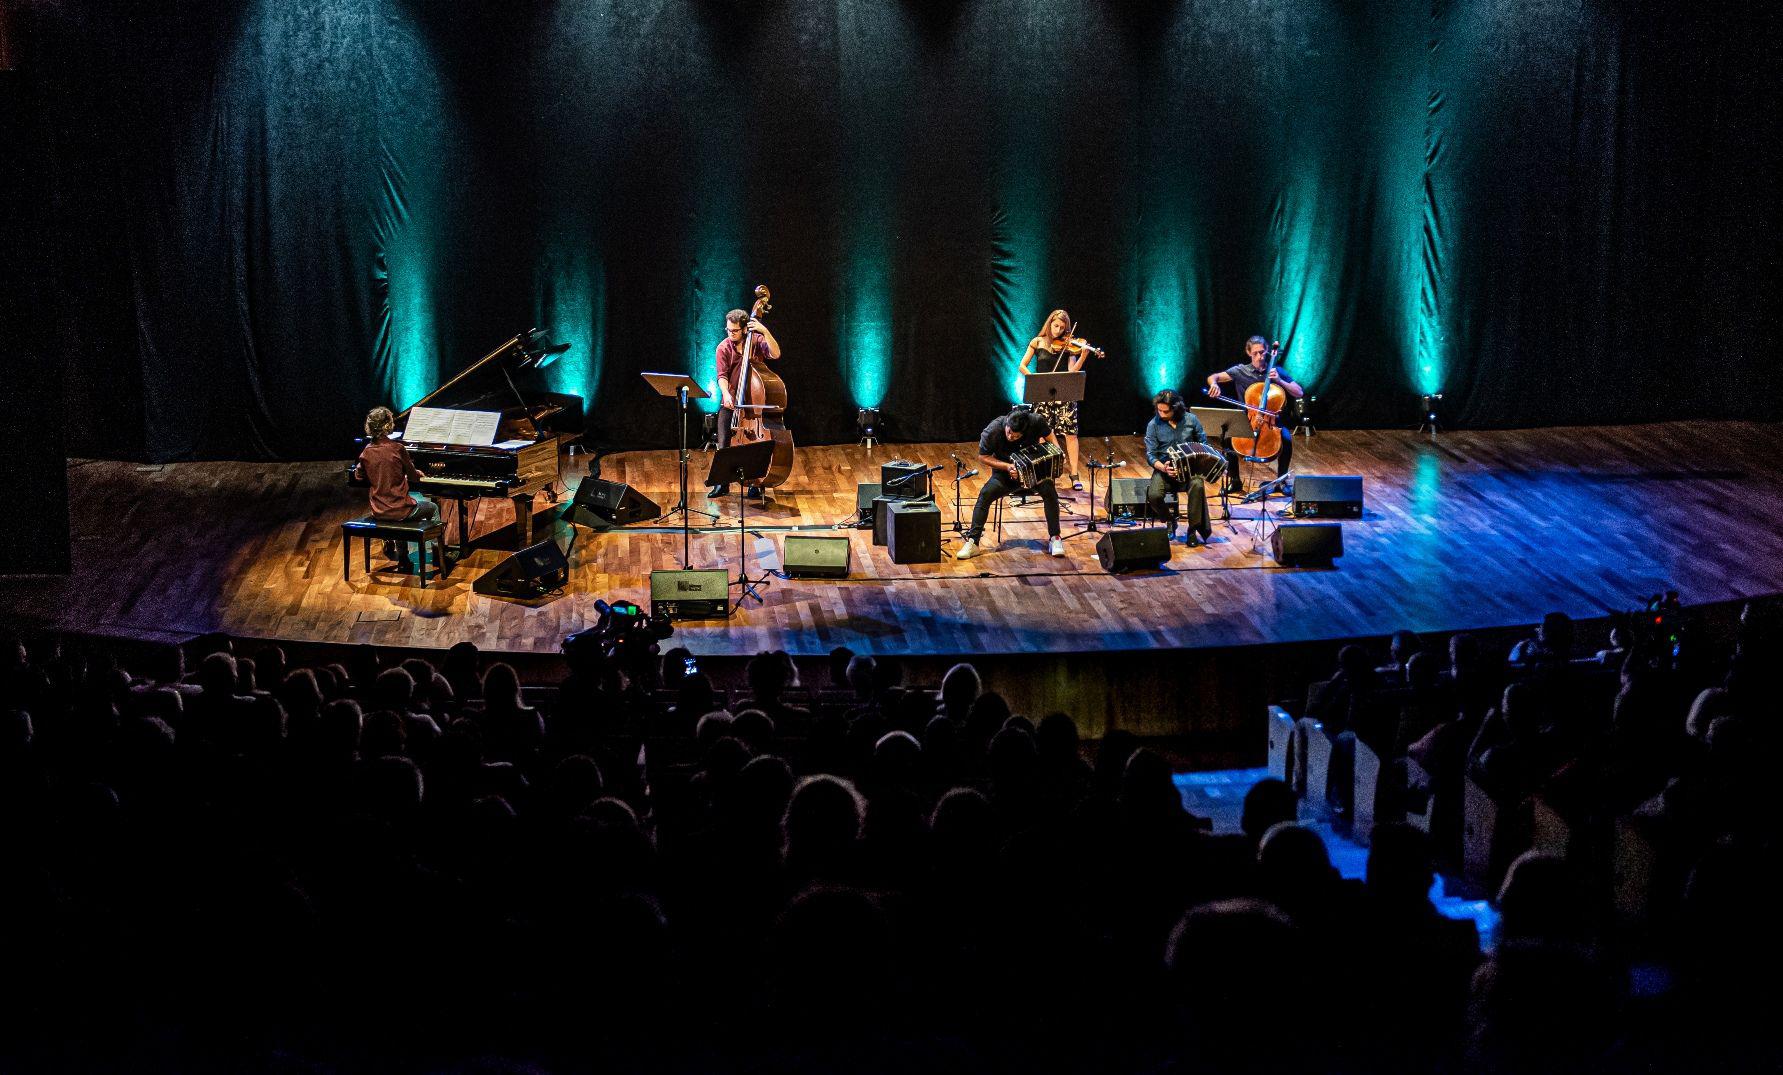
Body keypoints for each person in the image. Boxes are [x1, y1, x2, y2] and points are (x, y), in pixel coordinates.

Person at [955, 408, 1064, 560]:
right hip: (1005, 475)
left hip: (1034, 473)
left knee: (1050, 490)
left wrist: (1056, 452)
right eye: (1009, 432)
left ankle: (1055, 538)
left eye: (1016, 435)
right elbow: (983, 457)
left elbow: (1049, 434)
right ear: (1006, 424)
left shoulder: (1036, 421)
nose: (1011, 436)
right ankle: (973, 542)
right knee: (985, 494)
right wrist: (1007, 466)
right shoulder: (992, 430)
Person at [1018, 308, 1100, 491]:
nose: (1058, 331)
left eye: (1062, 328)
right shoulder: (1037, 342)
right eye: (1055, 326)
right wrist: (1035, 380)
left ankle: (1074, 474)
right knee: (1040, 434)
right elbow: (1022, 365)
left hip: (1064, 395)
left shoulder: (1069, 346)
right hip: (1042, 395)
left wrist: (1083, 356)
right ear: (1049, 324)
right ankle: (1042, 473)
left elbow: (1072, 372)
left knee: (1070, 434)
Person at [1206, 335, 1303, 487]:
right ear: (1248, 352)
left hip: (1271, 422)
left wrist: (1279, 380)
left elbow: (1299, 392)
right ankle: (1235, 480)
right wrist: (1214, 385)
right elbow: (1214, 377)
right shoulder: (1240, 371)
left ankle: (1281, 481)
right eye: (1255, 353)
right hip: (1246, 420)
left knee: (1286, 440)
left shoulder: (1276, 372)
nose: (1259, 356)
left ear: (1268, 352)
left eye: (1263, 352)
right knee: (1226, 438)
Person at [709, 308, 783, 498]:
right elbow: (722, 376)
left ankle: (755, 484)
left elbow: (775, 354)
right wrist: (725, 394)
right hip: (732, 403)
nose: (730, 334)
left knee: (756, 446)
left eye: (734, 331)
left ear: (744, 329)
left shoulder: (756, 342)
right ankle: (721, 483)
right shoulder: (723, 348)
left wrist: (764, 331)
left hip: (755, 404)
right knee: (724, 441)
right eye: (728, 330)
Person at [353, 406, 440, 561]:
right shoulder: (397, 448)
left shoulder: (366, 451)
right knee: (432, 508)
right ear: (388, 425)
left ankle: (403, 556)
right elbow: (413, 477)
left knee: (399, 511)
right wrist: (413, 473)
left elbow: (359, 476)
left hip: (379, 511)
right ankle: (437, 551)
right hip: (401, 511)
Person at [1142, 390, 1212, 546]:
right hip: (1165, 469)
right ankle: (1170, 520)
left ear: (1176, 408)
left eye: (1165, 411)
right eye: (1159, 410)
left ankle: (1192, 530)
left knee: (1198, 485)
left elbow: (1204, 444)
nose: (1161, 414)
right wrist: (1163, 468)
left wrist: (1205, 462)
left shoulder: (1191, 420)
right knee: (1153, 495)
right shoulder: (1153, 425)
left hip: (1189, 470)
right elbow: (1151, 455)